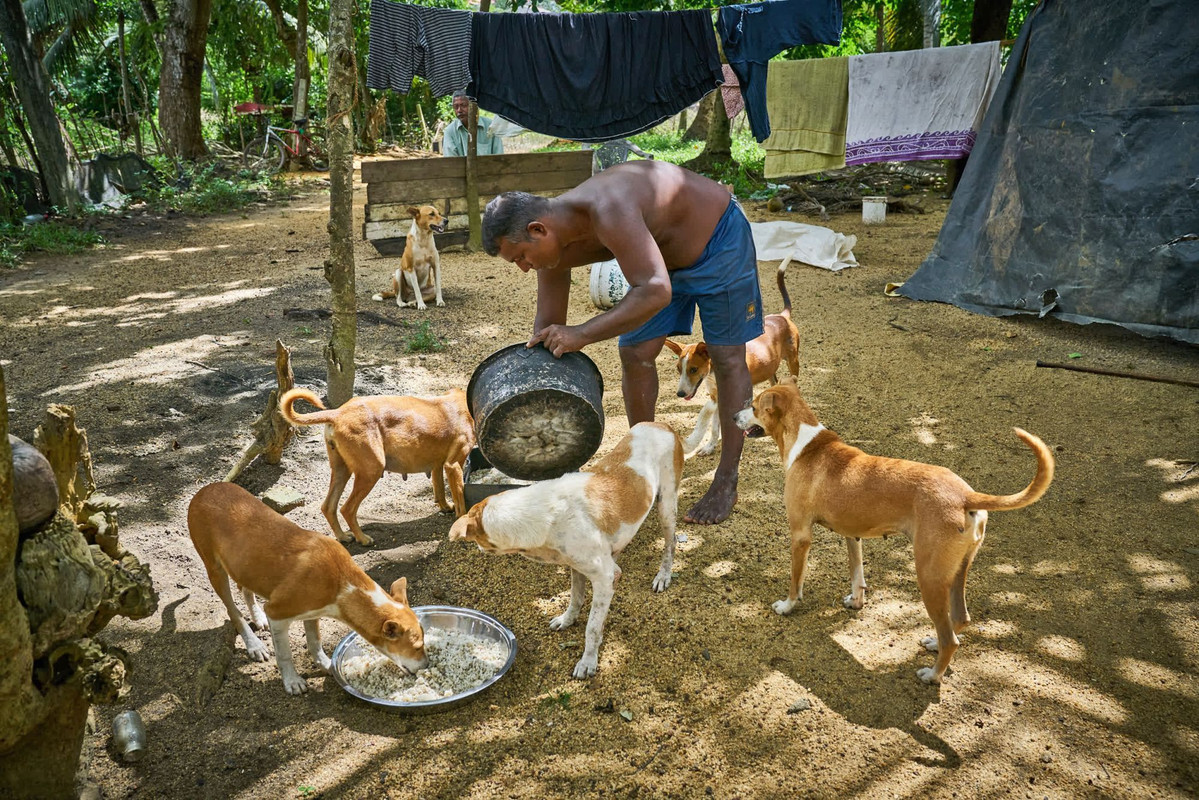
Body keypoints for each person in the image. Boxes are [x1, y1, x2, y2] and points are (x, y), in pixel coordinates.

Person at [481, 161, 762, 525]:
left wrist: (581, 333)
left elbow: (655, 291)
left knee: (726, 358)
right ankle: (645, 464)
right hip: (660, 261)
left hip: (718, 240)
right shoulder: (554, 243)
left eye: (520, 256)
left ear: (538, 229)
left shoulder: (608, 209)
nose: (522, 267)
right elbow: (548, 326)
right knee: (635, 351)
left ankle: (726, 479)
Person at [442, 91, 504, 157]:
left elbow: (499, 157)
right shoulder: (450, 131)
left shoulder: (491, 126)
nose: (459, 110)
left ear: (475, 106)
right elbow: (450, 162)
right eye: (456, 107)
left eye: (463, 105)